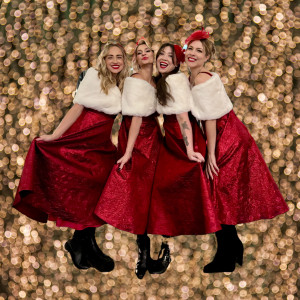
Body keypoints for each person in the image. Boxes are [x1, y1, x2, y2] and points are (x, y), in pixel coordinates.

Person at [13, 42, 129, 272]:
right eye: (110, 57)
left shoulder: (124, 84)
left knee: (102, 189)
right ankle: (85, 243)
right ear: (103, 60)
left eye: (120, 57)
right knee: (82, 187)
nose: (115, 61)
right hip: (81, 138)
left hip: (101, 144)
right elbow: (77, 107)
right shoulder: (94, 76)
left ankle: (81, 241)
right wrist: (56, 134)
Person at [185, 29, 289, 273]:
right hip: (226, 133)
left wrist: (211, 152)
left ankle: (227, 250)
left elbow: (210, 118)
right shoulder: (192, 77)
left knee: (217, 192)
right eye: (190, 48)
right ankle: (230, 247)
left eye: (199, 51)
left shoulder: (200, 79)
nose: (193, 53)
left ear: (206, 57)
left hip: (225, 136)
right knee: (218, 194)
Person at [95, 39, 170, 279]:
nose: (145, 54)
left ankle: (149, 249)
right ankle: (143, 248)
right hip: (136, 136)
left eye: (148, 50)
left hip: (152, 134)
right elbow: (136, 116)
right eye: (140, 52)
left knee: (150, 191)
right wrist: (128, 150)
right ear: (135, 59)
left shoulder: (157, 81)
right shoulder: (136, 80)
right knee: (137, 189)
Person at [147, 43, 221, 238]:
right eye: (161, 54)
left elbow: (183, 118)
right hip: (172, 137)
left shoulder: (175, 82)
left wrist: (189, 149)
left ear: (177, 62)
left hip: (183, 138)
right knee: (164, 189)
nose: (163, 58)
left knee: (171, 187)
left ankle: (169, 238)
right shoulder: (163, 81)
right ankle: (166, 240)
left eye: (170, 56)